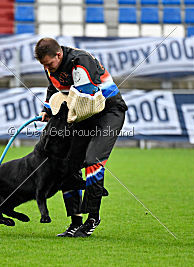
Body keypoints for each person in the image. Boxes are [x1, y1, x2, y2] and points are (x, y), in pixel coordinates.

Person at [34, 38, 128, 237]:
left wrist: (63, 110)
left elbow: (88, 97)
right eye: (44, 65)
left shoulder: (81, 61)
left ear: (58, 54)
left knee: (93, 160)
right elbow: (54, 87)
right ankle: (75, 222)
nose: (47, 68)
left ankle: (92, 218)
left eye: (49, 63)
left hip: (107, 111)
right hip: (83, 113)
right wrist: (48, 109)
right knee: (68, 165)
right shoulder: (50, 65)